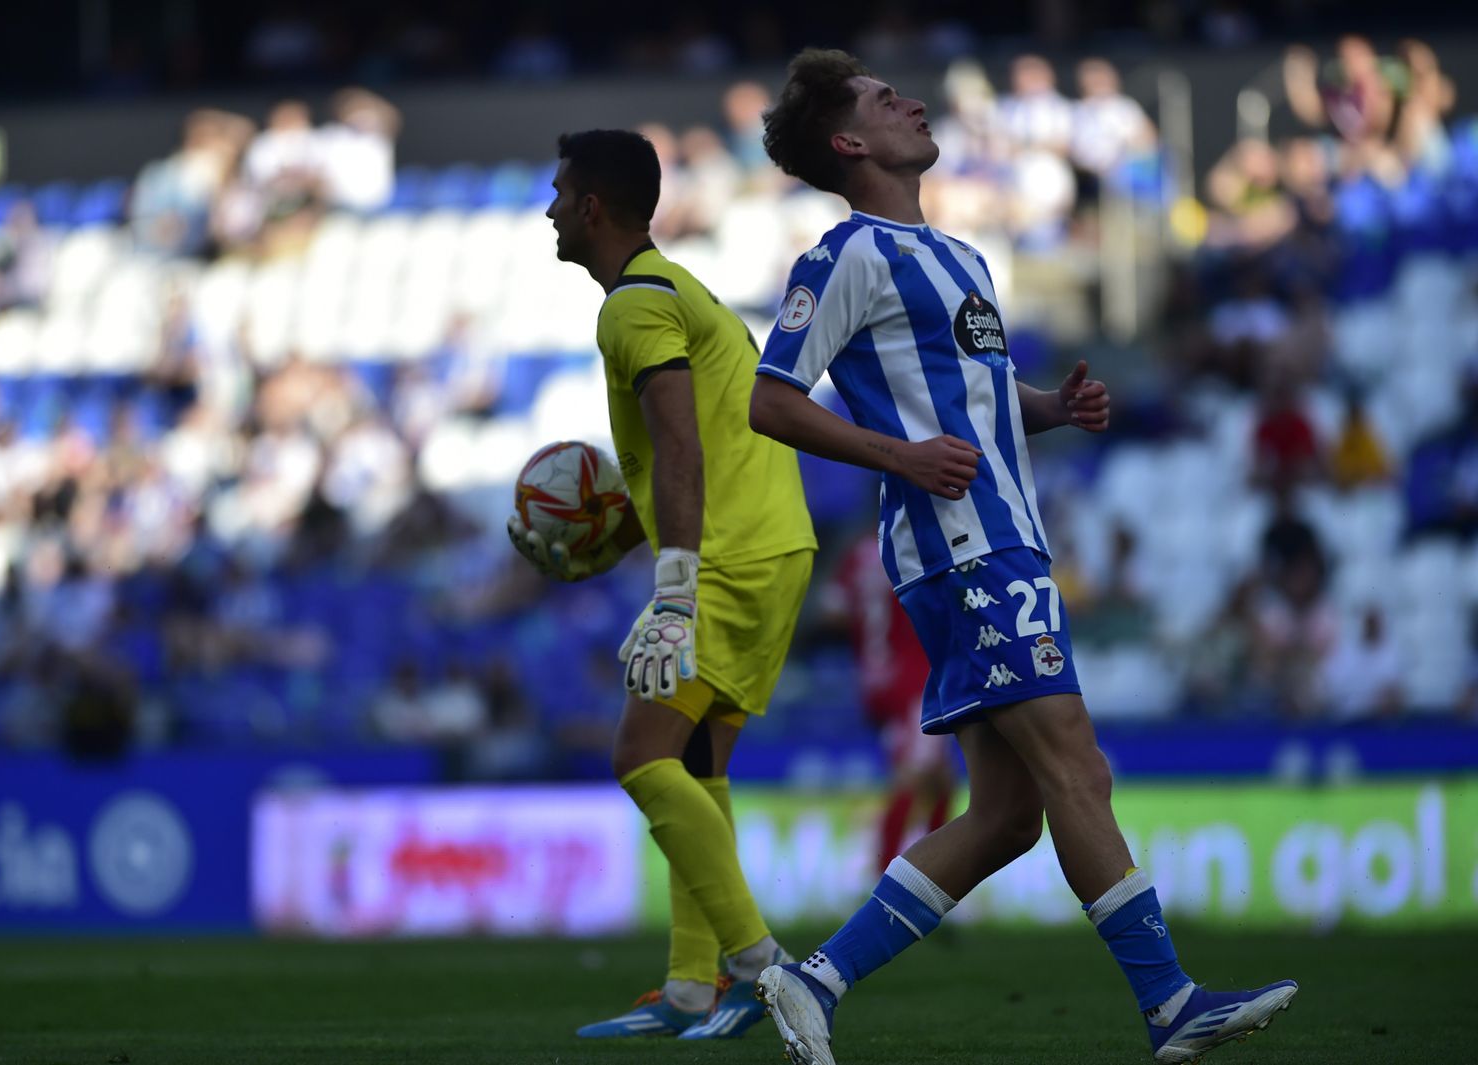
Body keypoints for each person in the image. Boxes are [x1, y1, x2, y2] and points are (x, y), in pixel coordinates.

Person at [746, 49, 1297, 1065]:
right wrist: (899, 455)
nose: (913, 102)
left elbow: (978, 400)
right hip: (963, 545)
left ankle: (814, 980)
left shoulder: (962, 256)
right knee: (1076, 763)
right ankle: (1169, 1003)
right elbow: (769, 400)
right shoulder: (845, 256)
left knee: (1005, 816)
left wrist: (1052, 407)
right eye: (884, 99)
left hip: (1005, 536)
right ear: (848, 142)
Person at [506, 129, 819, 1040]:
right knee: (695, 766)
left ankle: (765, 969)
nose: (550, 209)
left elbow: (681, 445)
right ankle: (689, 988)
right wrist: (622, 540)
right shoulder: (675, 289)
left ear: (592, 206)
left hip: (728, 554)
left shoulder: (634, 307)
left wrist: (674, 588)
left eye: (559, 193)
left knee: (640, 757)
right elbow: (700, 446)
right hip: (769, 541)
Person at [825, 535, 954, 875]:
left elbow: (832, 611)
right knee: (915, 775)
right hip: (914, 678)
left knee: (941, 778)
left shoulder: (858, 554)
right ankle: (886, 877)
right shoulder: (917, 547)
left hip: (874, 677)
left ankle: (941, 874)